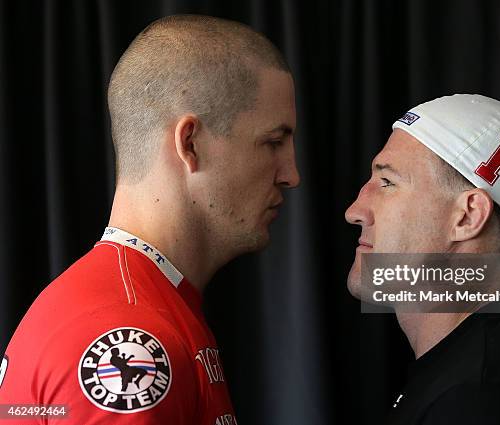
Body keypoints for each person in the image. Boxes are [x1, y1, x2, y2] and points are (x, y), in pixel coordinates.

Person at [0, 14, 299, 424]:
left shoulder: (145, 304)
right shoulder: (130, 337)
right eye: (273, 142)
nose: (291, 175)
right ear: (190, 143)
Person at [345, 94, 500, 424]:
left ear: (467, 216)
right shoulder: (474, 373)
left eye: (387, 182)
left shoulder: (481, 399)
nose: (354, 212)